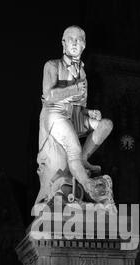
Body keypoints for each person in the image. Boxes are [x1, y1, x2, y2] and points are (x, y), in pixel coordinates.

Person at [35, 25, 113, 205]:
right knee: (74, 149)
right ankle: (90, 187)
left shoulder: (83, 73)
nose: (75, 42)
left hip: (74, 115)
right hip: (55, 113)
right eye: (71, 38)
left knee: (105, 124)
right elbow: (48, 96)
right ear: (63, 43)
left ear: (84, 45)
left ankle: (83, 160)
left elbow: (79, 105)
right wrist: (74, 89)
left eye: (79, 39)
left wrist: (88, 112)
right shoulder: (52, 65)